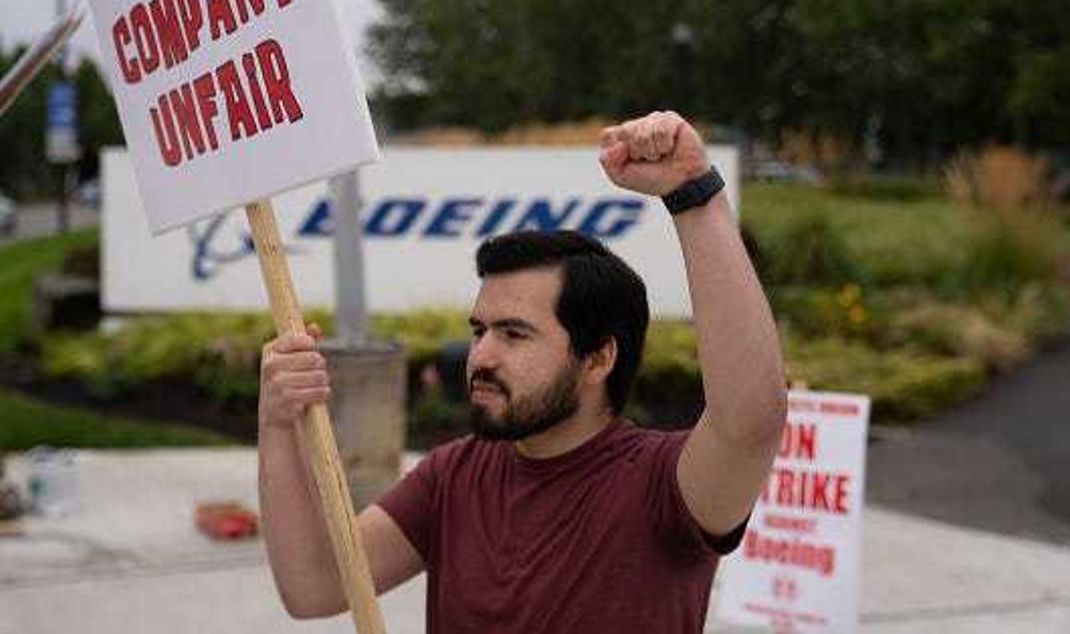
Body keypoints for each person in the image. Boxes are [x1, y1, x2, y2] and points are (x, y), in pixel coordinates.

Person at [258, 110, 787, 633]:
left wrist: (696, 198)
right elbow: (317, 586)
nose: (481, 356)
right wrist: (279, 422)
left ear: (598, 358)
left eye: (514, 334)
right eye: (479, 331)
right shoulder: (453, 477)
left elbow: (749, 422)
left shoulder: (664, 488)